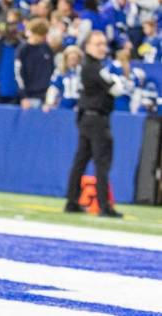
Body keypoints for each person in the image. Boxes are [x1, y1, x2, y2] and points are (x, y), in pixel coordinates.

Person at [64, 31, 123, 218]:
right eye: (98, 44)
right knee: (102, 162)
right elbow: (116, 89)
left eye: (104, 44)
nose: (102, 48)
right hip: (96, 119)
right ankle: (104, 206)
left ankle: (72, 201)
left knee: (81, 160)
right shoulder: (94, 67)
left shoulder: (91, 66)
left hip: (86, 117)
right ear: (88, 46)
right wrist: (116, 81)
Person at [15, 18, 54, 109]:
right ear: (36, 33)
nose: (44, 37)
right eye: (42, 35)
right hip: (29, 96)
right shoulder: (23, 50)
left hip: (45, 96)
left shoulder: (46, 48)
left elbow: (52, 70)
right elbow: (18, 74)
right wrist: (23, 96)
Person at [43, 45, 83, 111]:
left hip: (79, 106)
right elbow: (53, 88)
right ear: (66, 58)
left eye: (75, 59)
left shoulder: (82, 71)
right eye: (71, 58)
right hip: (64, 106)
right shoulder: (60, 72)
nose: (73, 61)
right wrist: (49, 103)